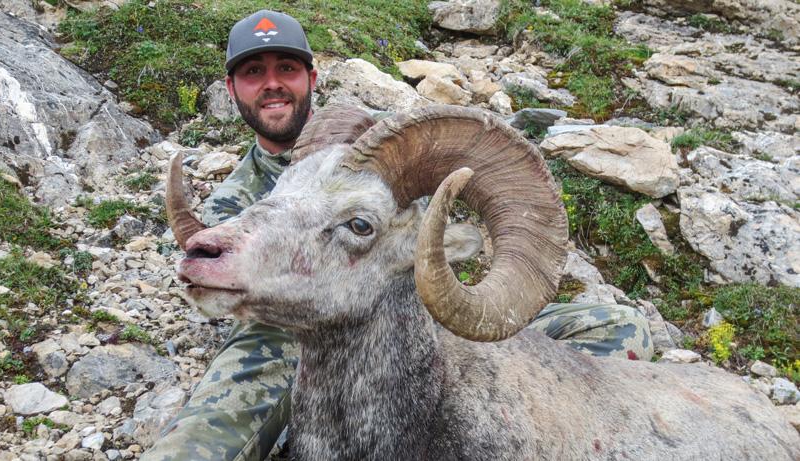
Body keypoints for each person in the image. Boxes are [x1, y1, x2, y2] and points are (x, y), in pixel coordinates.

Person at [141, 10, 653, 461]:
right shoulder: (236, 199)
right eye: (254, 73)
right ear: (232, 89)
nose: (272, 84)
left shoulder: (392, 144)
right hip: (291, 324)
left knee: (619, 326)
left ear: (310, 78)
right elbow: (219, 277)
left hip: (413, 312)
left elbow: (464, 221)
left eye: (286, 69)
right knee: (225, 413)